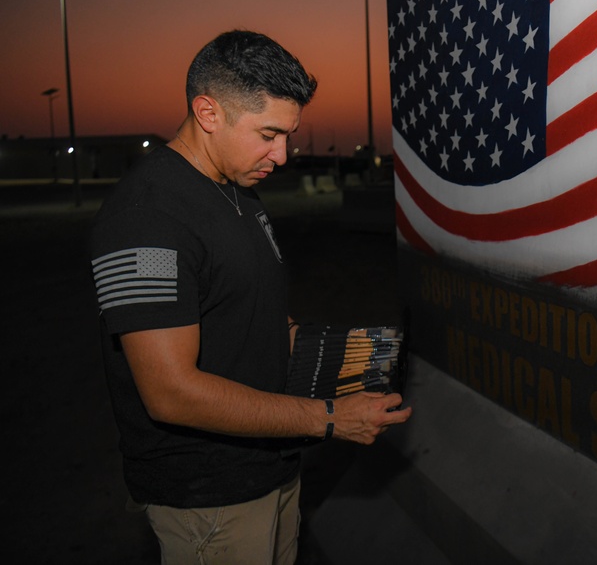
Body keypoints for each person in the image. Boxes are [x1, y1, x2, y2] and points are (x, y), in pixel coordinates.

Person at [89, 29, 412, 564]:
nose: (282, 155)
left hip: (272, 467)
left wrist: (332, 349)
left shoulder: (237, 190)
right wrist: (329, 417)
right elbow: (171, 393)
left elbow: (240, 304)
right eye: (268, 134)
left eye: (288, 135)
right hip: (209, 495)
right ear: (208, 112)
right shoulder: (146, 218)